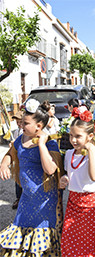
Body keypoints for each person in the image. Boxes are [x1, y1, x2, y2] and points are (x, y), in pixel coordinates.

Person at [0, 99, 64, 256]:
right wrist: (3, 165)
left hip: (45, 200)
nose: (21, 125)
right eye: (21, 122)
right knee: (21, 227)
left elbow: (50, 169)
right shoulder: (21, 139)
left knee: (42, 233)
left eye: (25, 123)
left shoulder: (50, 143)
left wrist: (42, 145)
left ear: (39, 127)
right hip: (27, 197)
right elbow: (10, 154)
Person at [59, 109, 95, 257]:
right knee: (69, 235)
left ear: (90, 136)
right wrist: (64, 179)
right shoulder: (69, 154)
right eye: (71, 135)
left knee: (86, 238)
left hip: (89, 202)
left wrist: (91, 150)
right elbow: (69, 173)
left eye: (78, 136)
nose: (73, 140)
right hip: (73, 201)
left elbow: (94, 176)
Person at [11, 111, 23, 209]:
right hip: (17, 158)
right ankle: (18, 198)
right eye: (17, 122)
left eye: (20, 121)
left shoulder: (27, 132)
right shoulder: (16, 132)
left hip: (25, 159)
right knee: (17, 179)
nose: (18, 124)